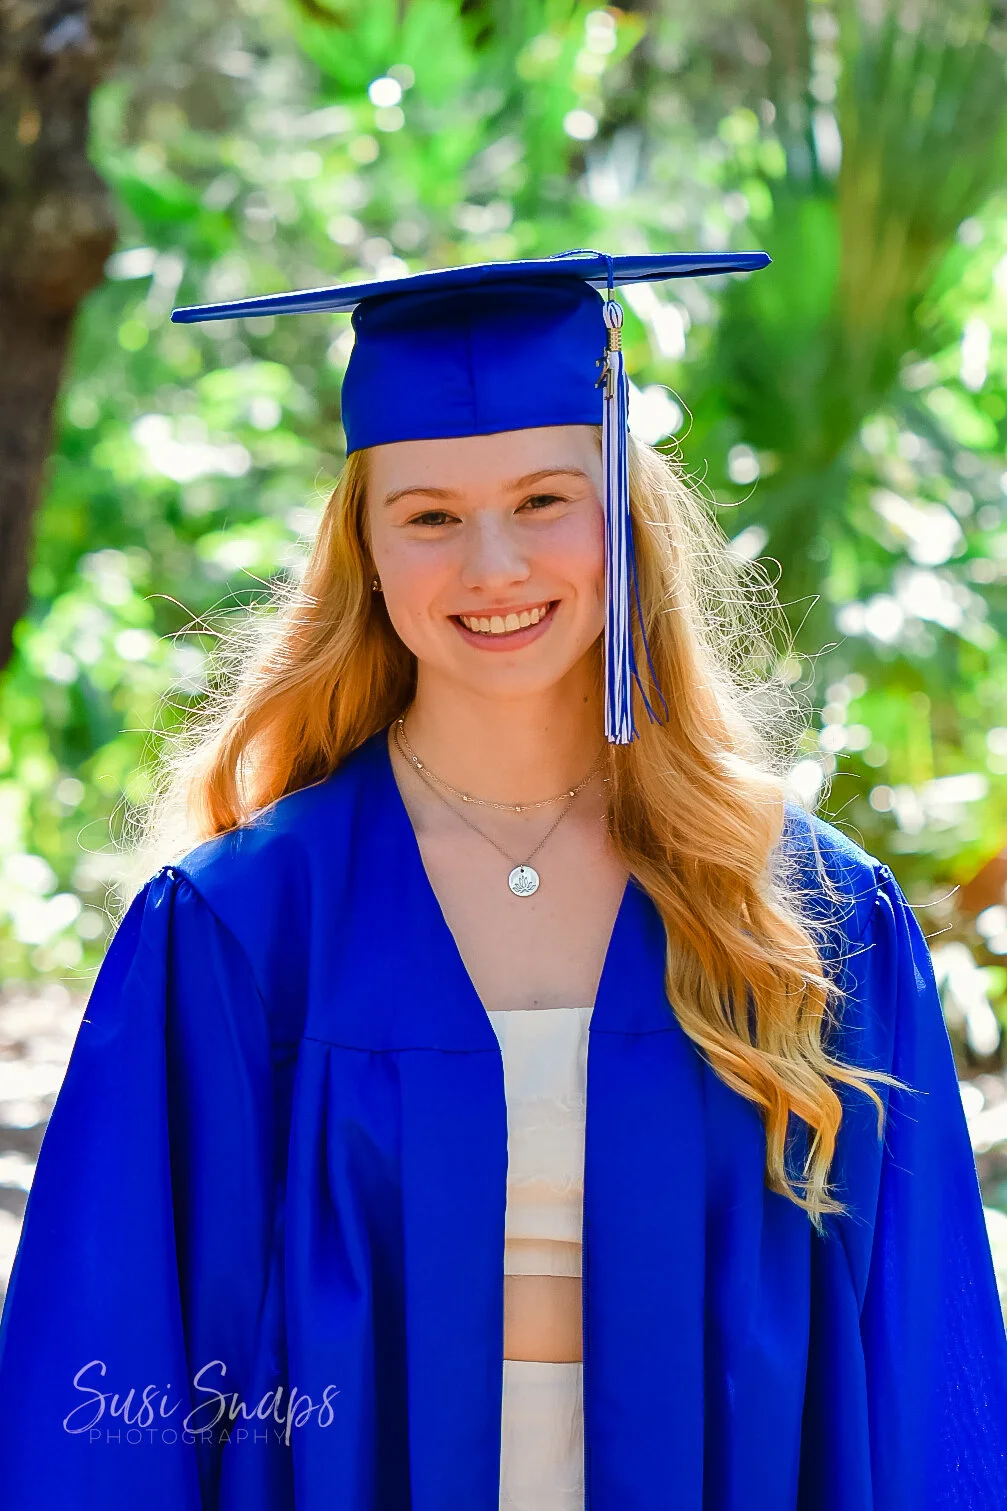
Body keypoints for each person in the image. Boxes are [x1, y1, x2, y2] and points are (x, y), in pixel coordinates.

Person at [1, 250, 1006, 1511]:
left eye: (544, 498)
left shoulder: (804, 915)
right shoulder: (243, 931)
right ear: (365, 548)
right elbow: (115, 1370)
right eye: (427, 514)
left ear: (623, 521)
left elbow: (919, 1373)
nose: (493, 566)